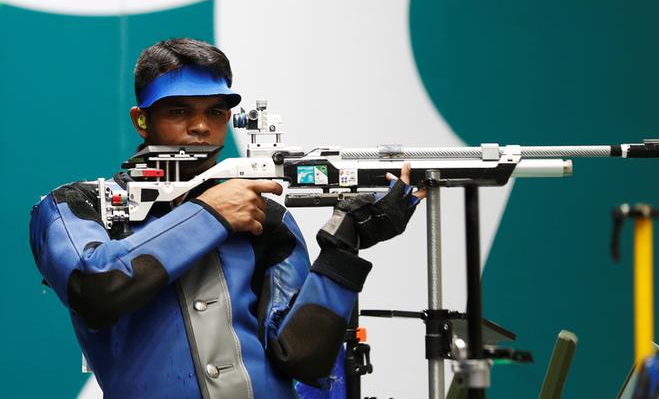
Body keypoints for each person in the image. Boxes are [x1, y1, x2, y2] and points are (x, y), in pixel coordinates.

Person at [29, 38, 425, 399]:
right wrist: (211, 213)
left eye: (216, 112)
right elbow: (93, 288)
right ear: (141, 119)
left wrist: (345, 247)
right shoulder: (81, 204)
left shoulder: (264, 216)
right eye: (179, 110)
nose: (201, 125)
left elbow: (302, 358)